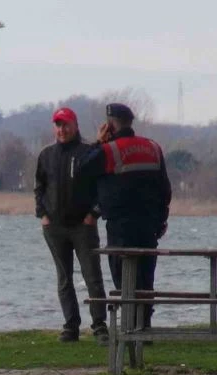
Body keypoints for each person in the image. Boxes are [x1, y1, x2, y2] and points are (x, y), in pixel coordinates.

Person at [96, 103, 172, 329]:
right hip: (149, 225)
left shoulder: (109, 150)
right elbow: (165, 189)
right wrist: (161, 219)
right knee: (146, 277)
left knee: (124, 277)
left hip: (120, 226)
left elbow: (81, 168)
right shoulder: (153, 147)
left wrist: (99, 142)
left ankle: (130, 326)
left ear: (110, 125)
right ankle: (144, 325)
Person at [35, 107, 108, 343]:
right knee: (64, 279)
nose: (61, 129)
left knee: (92, 276)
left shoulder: (88, 152)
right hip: (54, 227)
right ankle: (71, 326)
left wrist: (93, 215)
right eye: (58, 125)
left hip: (82, 226)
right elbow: (39, 187)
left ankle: (99, 325)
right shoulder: (46, 155)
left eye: (66, 124)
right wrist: (42, 214)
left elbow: (102, 188)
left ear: (75, 126)